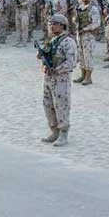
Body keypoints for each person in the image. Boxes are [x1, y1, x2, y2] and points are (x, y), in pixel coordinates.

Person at [38, 14, 77, 147]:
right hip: (48, 77)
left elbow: (71, 62)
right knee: (48, 104)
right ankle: (54, 131)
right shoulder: (52, 40)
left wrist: (57, 69)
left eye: (55, 24)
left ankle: (63, 133)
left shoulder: (68, 42)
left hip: (61, 78)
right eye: (51, 24)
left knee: (61, 105)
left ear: (62, 25)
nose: (52, 26)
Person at [73, 0, 100, 85]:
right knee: (81, 56)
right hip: (79, 35)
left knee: (88, 56)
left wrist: (85, 29)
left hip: (88, 35)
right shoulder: (80, 7)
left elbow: (96, 23)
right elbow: (75, 19)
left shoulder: (93, 9)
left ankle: (88, 77)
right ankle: (83, 75)